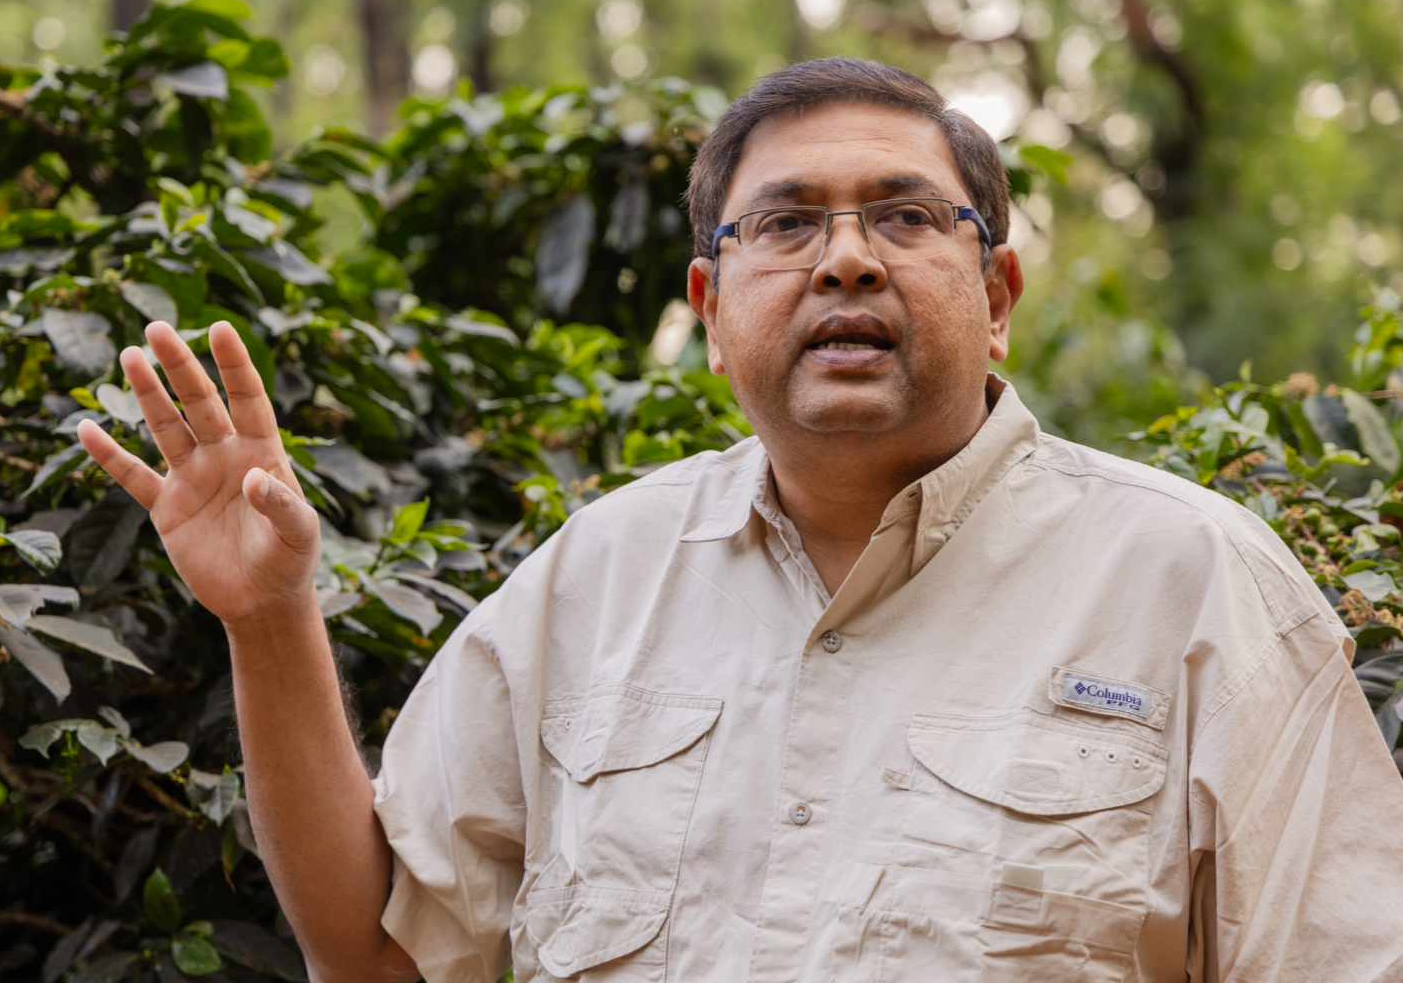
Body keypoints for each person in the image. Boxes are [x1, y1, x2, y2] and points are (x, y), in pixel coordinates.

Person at [77, 58, 1403, 983]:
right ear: (709, 312)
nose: (843, 257)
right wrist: (267, 615)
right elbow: (373, 953)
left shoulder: (1191, 581)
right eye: (786, 223)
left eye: (902, 214)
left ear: (994, 290)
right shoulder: (590, 584)